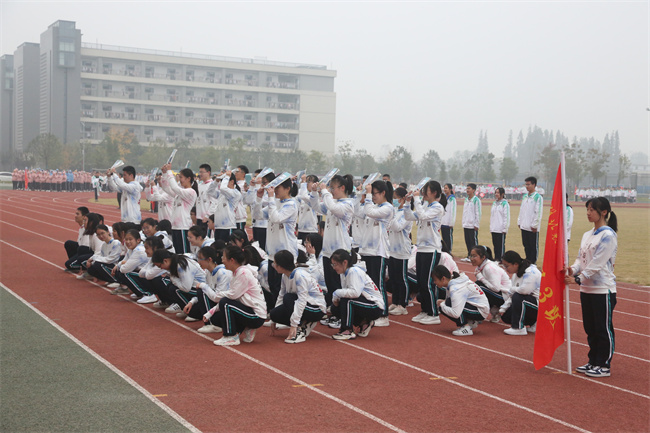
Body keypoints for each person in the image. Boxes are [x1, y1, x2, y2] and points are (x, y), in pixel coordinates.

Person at [566, 197, 618, 378]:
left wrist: (579, 278)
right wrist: (573, 269)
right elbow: (581, 259)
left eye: (592, 210)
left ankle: (603, 364)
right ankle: (593, 360)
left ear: (603, 212)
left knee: (602, 328)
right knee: (590, 328)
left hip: (602, 289)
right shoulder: (587, 235)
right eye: (587, 209)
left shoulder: (608, 235)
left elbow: (597, 263)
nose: (588, 213)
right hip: (587, 289)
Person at [309, 174, 355, 328]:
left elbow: (334, 209)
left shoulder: (348, 204)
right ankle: (333, 313)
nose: (331, 191)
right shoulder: (331, 202)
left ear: (342, 188)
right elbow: (316, 207)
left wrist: (324, 192)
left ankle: (342, 316)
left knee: (339, 286)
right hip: (328, 252)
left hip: (340, 251)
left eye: (333, 188)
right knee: (330, 286)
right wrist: (314, 192)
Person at [204, 245, 267, 346]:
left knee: (225, 303)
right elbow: (232, 295)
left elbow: (232, 295)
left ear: (232, 260)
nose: (222, 260)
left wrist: (215, 295)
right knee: (215, 317)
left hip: (256, 315)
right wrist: (210, 312)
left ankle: (231, 336)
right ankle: (246, 328)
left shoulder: (243, 273)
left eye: (224, 257)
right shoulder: (236, 273)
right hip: (248, 310)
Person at [404, 180, 447, 325]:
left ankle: (433, 313)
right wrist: (407, 202)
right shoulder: (425, 206)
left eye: (426, 190)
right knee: (421, 282)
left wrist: (416, 199)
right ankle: (425, 310)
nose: (423, 193)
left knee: (428, 282)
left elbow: (422, 216)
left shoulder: (437, 208)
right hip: (421, 248)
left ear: (434, 192)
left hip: (432, 249)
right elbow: (409, 216)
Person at [254, 176, 299, 310]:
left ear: (287, 189)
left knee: (283, 288)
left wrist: (271, 198)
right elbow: (257, 215)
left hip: (285, 252)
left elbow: (276, 218)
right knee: (273, 285)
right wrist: (258, 198)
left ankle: (285, 314)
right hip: (272, 253)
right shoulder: (276, 203)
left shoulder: (291, 204)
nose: (275, 190)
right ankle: (275, 313)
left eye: (278, 187)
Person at [269, 250, 327, 344]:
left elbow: (301, 300)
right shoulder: (285, 276)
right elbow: (281, 295)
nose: (273, 265)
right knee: (274, 314)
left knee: (288, 298)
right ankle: (303, 322)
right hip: (301, 303)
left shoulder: (300, 276)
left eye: (275, 263)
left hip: (316, 308)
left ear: (281, 266)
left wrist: (294, 324)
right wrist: (273, 320)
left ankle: (300, 329)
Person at [359, 180, 395, 327]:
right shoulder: (372, 205)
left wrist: (367, 196)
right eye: (372, 194)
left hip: (378, 251)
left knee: (378, 283)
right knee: (368, 284)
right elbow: (359, 212)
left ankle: (383, 314)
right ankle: (372, 312)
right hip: (366, 250)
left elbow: (370, 212)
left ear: (383, 193)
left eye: (375, 194)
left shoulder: (388, 208)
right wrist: (360, 195)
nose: (373, 196)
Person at [329, 249, 385, 340]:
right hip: (363, 302)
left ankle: (347, 330)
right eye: (332, 265)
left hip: (375, 306)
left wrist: (336, 293)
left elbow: (355, 293)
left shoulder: (354, 271)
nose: (333, 267)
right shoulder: (343, 273)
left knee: (347, 300)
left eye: (335, 264)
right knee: (335, 308)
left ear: (344, 262)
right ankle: (364, 323)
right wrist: (336, 299)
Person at [186, 245, 232, 332]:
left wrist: (203, 286)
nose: (198, 261)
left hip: (224, 306)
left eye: (200, 259)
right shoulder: (208, 272)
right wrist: (192, 302)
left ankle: (211, 324)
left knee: (202, 291)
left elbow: (218, 298)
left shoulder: (222, 273)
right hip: (215, 303)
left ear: (209, 259)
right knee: (192, 311)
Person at [151, 249, 207, 320]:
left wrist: (173, 278)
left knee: (175, 289)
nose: (161, 268)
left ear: (165, 261)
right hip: (194, 287)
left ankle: (195, 313)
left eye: (160, 266)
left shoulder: (181, 265)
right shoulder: (176, 261)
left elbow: (186, 288)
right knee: (170, 286)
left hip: (202, 289)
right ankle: (185, 309)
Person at [434, 266, 489, 336]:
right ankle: (471, 321)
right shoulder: (454, 282)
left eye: (435, 280)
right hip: (478, 307)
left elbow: (456, 313)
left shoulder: (456, 288)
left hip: (481, 311)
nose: (434, 282)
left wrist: (442, 305)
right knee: (447, 303)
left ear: (443, 279)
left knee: (446, 305)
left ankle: (466, 327)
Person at [159, 164, 199, 254]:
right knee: (177, 253)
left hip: (183, 226)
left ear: (188, 179)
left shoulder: (191, 192)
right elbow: (166, 188)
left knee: (184, 253)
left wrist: (169, 171)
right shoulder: (179, 194)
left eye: (181, 177)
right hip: (175, 226)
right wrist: (164, 174)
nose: (179, 179)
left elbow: (174, 187)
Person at [499, 250, 541, 335]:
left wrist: (513, 289)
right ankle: (533, 323)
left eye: (507, 266)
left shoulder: (531, 272)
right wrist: (504, 307)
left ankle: (518, 328)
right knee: (506, 317)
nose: (506, 269)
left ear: (515, 264)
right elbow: (512, 293)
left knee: (518, 297)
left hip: (540, 306)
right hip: (529, 304)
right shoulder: (516, 274)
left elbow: (524, 291)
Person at [387, 187, 413, 316]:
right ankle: (395, 301)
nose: (394, 201)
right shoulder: (396, 211)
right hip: (392, 249)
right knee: (393, 278)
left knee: (401, 278)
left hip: (402, 249)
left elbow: (398, 227)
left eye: (396, 198)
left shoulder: (406, 213)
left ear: (403, 199)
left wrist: (391, 216)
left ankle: (403, 304)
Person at [469, 245, 511, 323]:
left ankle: (479, 315)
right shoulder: (480, 267)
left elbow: (496, 288)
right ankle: (492, 311)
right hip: (498, 294)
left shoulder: (490, 268)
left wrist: (481, 279)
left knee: (478, 287)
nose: (471, 258)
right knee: (476, 287)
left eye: (474, 256)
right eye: (470, 256)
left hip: (506, 296)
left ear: (483, 257)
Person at [518, 176, 543, 263]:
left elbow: (538, 212)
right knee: (526, 245)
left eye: (528, 184)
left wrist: (535, 225)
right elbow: (522, 210)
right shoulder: (525, 196)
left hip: (532, 227)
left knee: (533, 246)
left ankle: (533, 262)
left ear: (534, 185)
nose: (527, 186)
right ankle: (527, 261)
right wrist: (519, 221)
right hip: (524, 225)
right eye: (526, 184)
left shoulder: (538, 197)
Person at [461, 183, 481, 261]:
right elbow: (464, 212)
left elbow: (478, 213)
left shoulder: (476, 200)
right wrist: (463, 222)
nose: (467, 190)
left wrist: (476, 224)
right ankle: (469, 255)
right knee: (467, 241)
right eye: (467, 188)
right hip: (466, 224)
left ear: (473, 190)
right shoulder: (466, 199)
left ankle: (475, 256)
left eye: (469, 188)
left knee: (473, 242)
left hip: (472, 225)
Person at [490, 187, 510, 262]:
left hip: (500, 228)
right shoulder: (494, 203)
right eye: (496, 192)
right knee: (495, 245)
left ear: (502, 194)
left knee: (500, 245)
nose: (496, 194)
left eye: (498, 193)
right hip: (494, 228)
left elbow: (506, 217)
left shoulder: (505, 204)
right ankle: (496, 258)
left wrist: (505, 228)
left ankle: (501, 259)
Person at [441, 183, 457, 254]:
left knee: (448, 238)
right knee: (444, 238)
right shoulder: (443, 198)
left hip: (448, 222)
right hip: (443, 221)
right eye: (444, 188)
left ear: (450, 189)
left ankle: (449, 251)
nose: (445, 189)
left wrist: (451, 223)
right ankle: (445, 252)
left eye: (446, 188)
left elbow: (453, 211)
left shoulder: (452, 199)